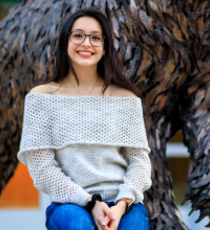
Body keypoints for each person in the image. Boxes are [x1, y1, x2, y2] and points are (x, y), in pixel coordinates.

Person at [16, 7, 152, 230]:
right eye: (78, 35)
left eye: (95, 37)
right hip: (70, 204)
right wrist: (90, 203)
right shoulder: (41, 98)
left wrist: (121, 205)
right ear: (65, 41)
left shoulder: (126, 98)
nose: (86, 43)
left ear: (105, 46)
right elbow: (42, 168)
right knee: (79, 224)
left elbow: (139, 161)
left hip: (124, 204)